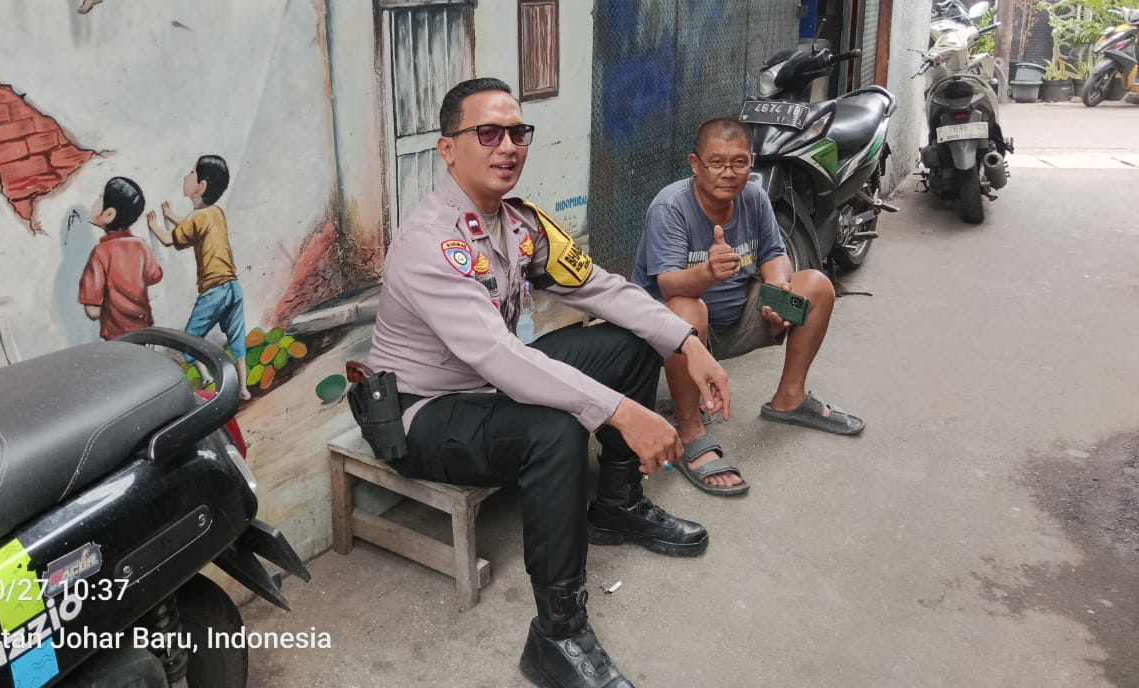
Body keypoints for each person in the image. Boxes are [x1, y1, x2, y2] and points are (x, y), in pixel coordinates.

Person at [365, 77, 733, 688]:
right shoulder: (430, 243)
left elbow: (600, 287)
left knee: (631, 342)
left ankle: (616, 506)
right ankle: (557, 634)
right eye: (488, 133)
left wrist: (685, 341)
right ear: (448, 149)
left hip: (494, 386)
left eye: (517, 133)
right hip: (426, 411)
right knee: (555, 429)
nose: (508, 146)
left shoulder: (520, 224)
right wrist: (621, 412)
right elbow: (498, 357)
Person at [632, 117, 863, 496]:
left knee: (816, 286)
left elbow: (774, 253)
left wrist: (778, 289)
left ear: (751, 163)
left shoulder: (754, 198)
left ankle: (789, 398)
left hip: (737, 316)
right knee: (685, 308)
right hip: (674, 337)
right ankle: (690, 429)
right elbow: (667, 284)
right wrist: (708, 272)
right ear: (695, 164)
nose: (728, 173)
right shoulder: (670, 206)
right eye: (716, 163)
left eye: (739, 162)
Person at [147, 155, 251, 400]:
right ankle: (244, 388)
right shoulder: (215, 213)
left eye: (192, 173)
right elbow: (193, 227)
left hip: (213, 291)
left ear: (201, 187)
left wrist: (154, 226)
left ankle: (206, 377)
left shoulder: (196, 218)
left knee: (189, 340)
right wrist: (172, 216)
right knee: (237, 339)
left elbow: (169, 239)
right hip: (233, 287)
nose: (186, 176)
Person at [79, 176, 163, 340]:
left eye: (99, 198)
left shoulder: (101, 253)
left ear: (109, 214)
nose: (94, 203)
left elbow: (93, 311)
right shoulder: (141, 245)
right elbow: (155, 276)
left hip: (117, 335)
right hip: (145, 329)